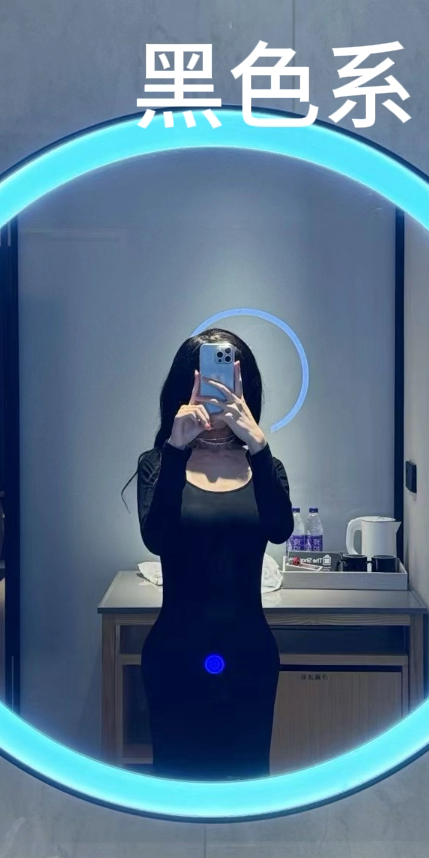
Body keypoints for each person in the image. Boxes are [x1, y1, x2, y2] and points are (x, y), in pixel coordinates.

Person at [132, 329, 294, 778]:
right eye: (205, 382)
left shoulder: (265, 465)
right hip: (175, 656)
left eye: (228, 384)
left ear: (246, 389)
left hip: (250, 656)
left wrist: (258, 446)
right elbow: (157, 538)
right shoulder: (157, 463)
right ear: (185, 388)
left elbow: (280, 530)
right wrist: (176, 447)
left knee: (247, 789)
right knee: (177, 789)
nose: (217, 394)